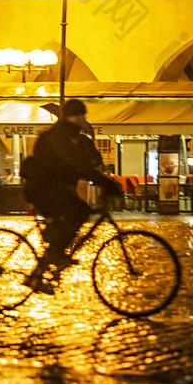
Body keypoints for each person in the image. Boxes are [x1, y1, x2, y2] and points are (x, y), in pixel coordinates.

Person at [22, 98, 122, 293]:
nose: (83, 119)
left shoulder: (69, 135)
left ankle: (38, 274)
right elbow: (76, 163)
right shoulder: (60, 136)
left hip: (51, 188)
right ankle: (57, 257)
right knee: (78, 211)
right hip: (43, 189)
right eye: (81, 115)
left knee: (66, 224)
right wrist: (105, 182)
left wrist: (97, 175)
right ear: (73, 116)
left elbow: (81, 162)